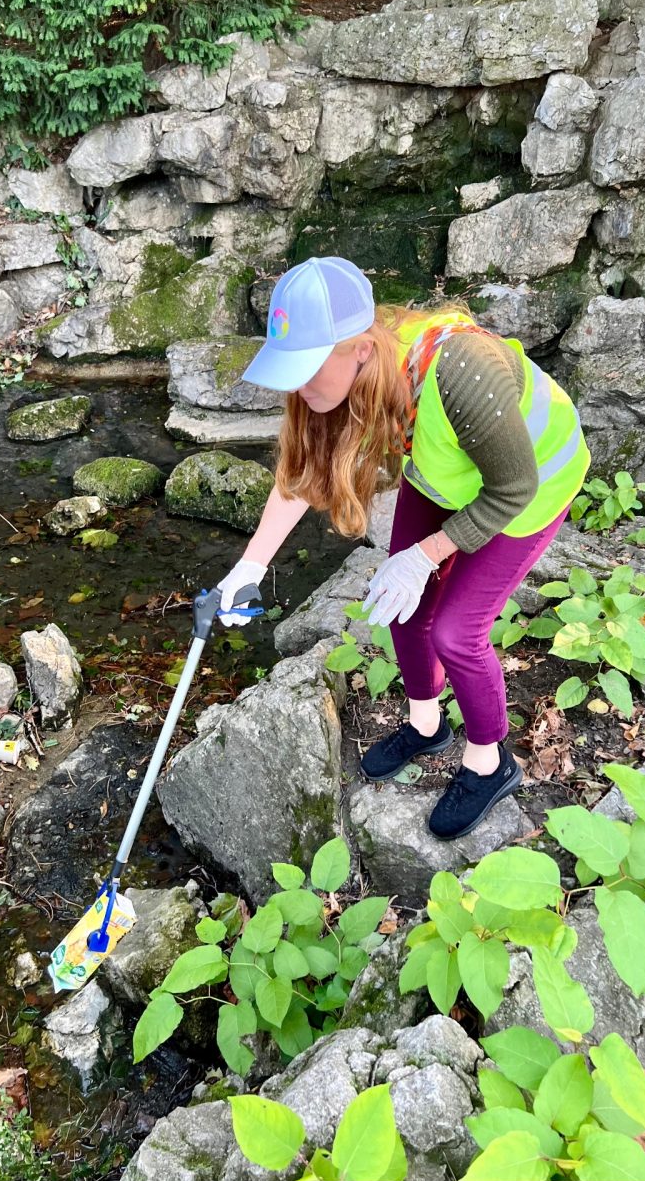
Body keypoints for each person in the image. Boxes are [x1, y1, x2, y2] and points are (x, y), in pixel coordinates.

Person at [208, 255, 590, 841]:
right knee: (402, 604)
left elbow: (513, 488)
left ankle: (491, 762)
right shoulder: (353, 375)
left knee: (457, 632)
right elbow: (303, 474)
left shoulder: (463, 369)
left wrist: (427, 553)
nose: (299, 385)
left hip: (530, 485)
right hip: (449, 470)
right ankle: (426, 724)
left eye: (308, 368)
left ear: (359, 348)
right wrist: (250, 565)